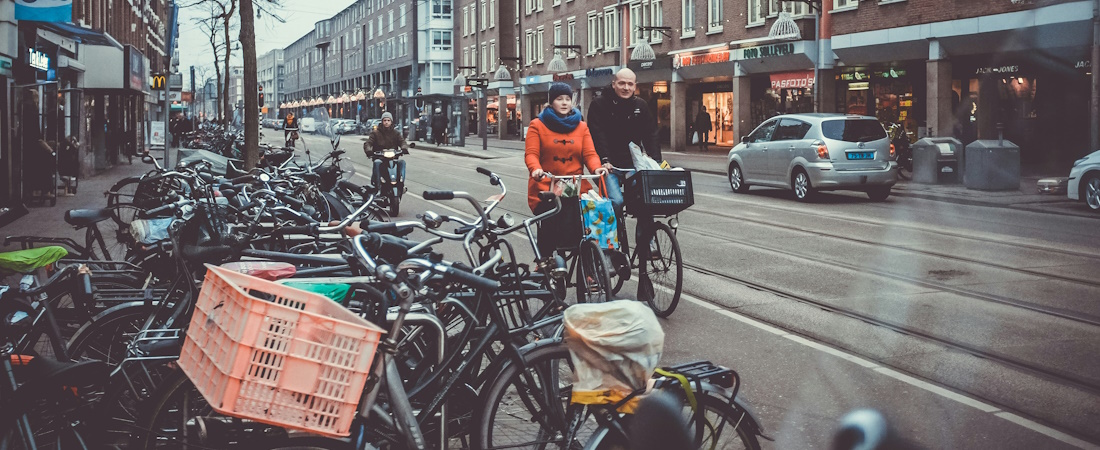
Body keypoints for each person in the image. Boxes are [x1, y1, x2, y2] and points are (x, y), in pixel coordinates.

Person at [586, 68, 662, 300]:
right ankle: (611, 249)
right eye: (622, 83)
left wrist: (656, 162)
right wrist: (604, 160)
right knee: (616, 202)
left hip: (633, 164)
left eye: (630, 84)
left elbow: (651, 133)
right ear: (614, 83)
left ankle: (646, 243)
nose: (626, 88)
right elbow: (596, 134)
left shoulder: (641, 105)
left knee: (645, 203)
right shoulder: (599, 104)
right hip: (608, 165)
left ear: (635, 85)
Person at [526, 82, 608, 262]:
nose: (564, 103)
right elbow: (531, 154)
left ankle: (589, 267)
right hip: (547, 184)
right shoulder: (537, 125)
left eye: (568, 99)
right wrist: (536, 169)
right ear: (551, 103)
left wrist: (596, 167)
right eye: (559, 99)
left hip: (576, 185)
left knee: (589, 217)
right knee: (550, 214)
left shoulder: (581, 126)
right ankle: (545, 260)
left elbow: (590, 154)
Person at [363, 111, 409, 188]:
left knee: (402, 162)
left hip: (393, 158)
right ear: (382, 121)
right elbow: (368, 143)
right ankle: (378, 185)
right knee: (377, 163)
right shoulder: (375, 133)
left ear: (391, 122)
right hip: (380, 158)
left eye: (388, 120)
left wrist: (404, 148)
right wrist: (369, 151)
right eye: (385, 120)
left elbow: (402, 142)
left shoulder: (396, 133)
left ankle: (401, 184)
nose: (386, 122)